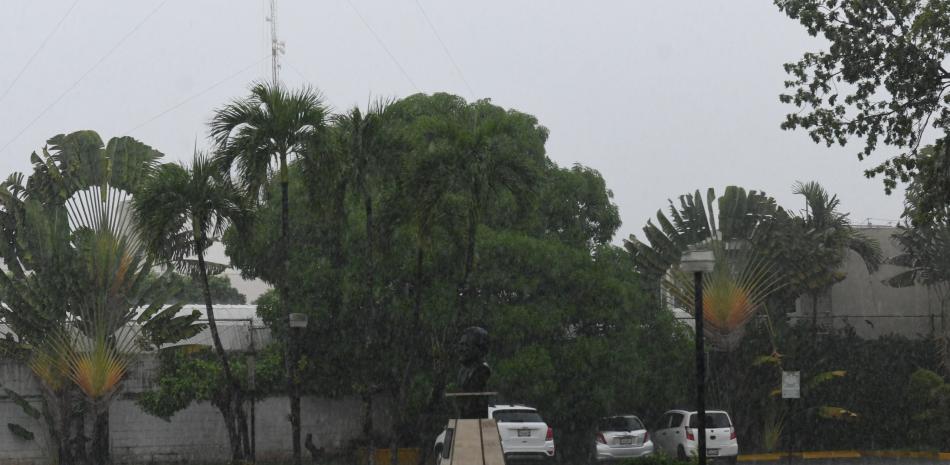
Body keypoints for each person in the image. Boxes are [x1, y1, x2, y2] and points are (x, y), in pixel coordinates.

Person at [457, 326, 491, 418]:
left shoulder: (482, 371)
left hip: (477, 423)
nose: (461, 349)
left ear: (478, 349)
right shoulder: (462, 372)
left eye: (466, 345)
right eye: (461, 345)